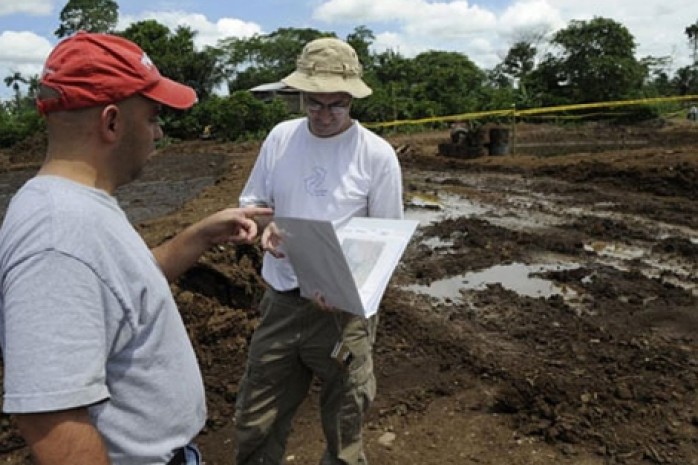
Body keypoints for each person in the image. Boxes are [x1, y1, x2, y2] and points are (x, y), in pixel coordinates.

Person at [0, 32, 270, 465]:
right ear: (111, 122)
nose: (159, 133)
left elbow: (123, 291)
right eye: (153, 117)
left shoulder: (82, 205)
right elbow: (50, 417)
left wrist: (199, 235)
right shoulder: (57, 238)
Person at [235, 37, 404, 465]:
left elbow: (386, 240)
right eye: (314, 103)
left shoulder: (377, 156)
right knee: (257, 418)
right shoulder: (280, 139)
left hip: (342, 315)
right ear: (300, 97)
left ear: (352, 101)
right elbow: (251, 202)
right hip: (282, 302)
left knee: (345, 421)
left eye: (337, 105)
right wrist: (263, 226)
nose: (324, 115)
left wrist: (348, 287)